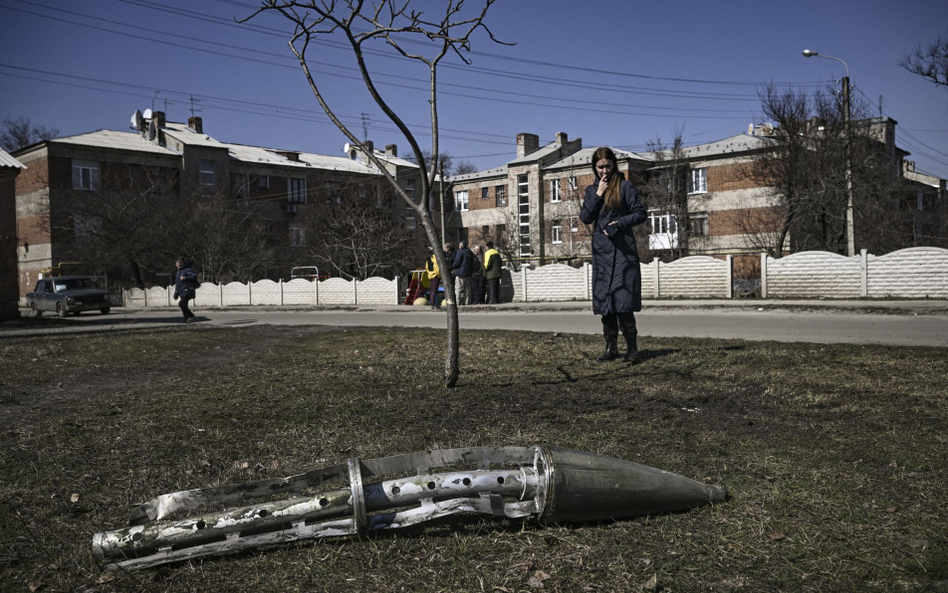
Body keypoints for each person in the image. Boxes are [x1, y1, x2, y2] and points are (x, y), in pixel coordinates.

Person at [579, 147, 647, 363]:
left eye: (608, 166)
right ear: (595, 167)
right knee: (605, 302)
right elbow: (585, 217)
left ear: (614, 165)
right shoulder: (592, 190)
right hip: (601, 254)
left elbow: (640, 213)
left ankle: (632, 349)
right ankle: (611, 348)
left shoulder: (625, 187)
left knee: (623, 301)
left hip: (622, 252)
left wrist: (620, 222)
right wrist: (598, 194)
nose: (605, 171)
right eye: (600, 167)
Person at [173, 257, 199, 323]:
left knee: (181, 304)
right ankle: (185, 319)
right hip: (182, 291)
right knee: (184, 306)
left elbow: (194, 276)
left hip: (188, 290)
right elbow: (178, 284)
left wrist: (185, 278)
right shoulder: (178, 272)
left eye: (177, 262)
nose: (176, 264)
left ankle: (191, 315)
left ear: (181, 263)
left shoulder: (187, 269)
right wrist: (176, 293)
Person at [452, 241, 476, 305]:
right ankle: (467, 301)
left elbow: (457, 262)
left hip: (460, 272)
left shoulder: (460, 252)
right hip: (468, 272)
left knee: (458, 288)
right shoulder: (470, 252)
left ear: (461, 246)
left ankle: (458, 302)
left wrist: (453, 266)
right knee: (467, 289)